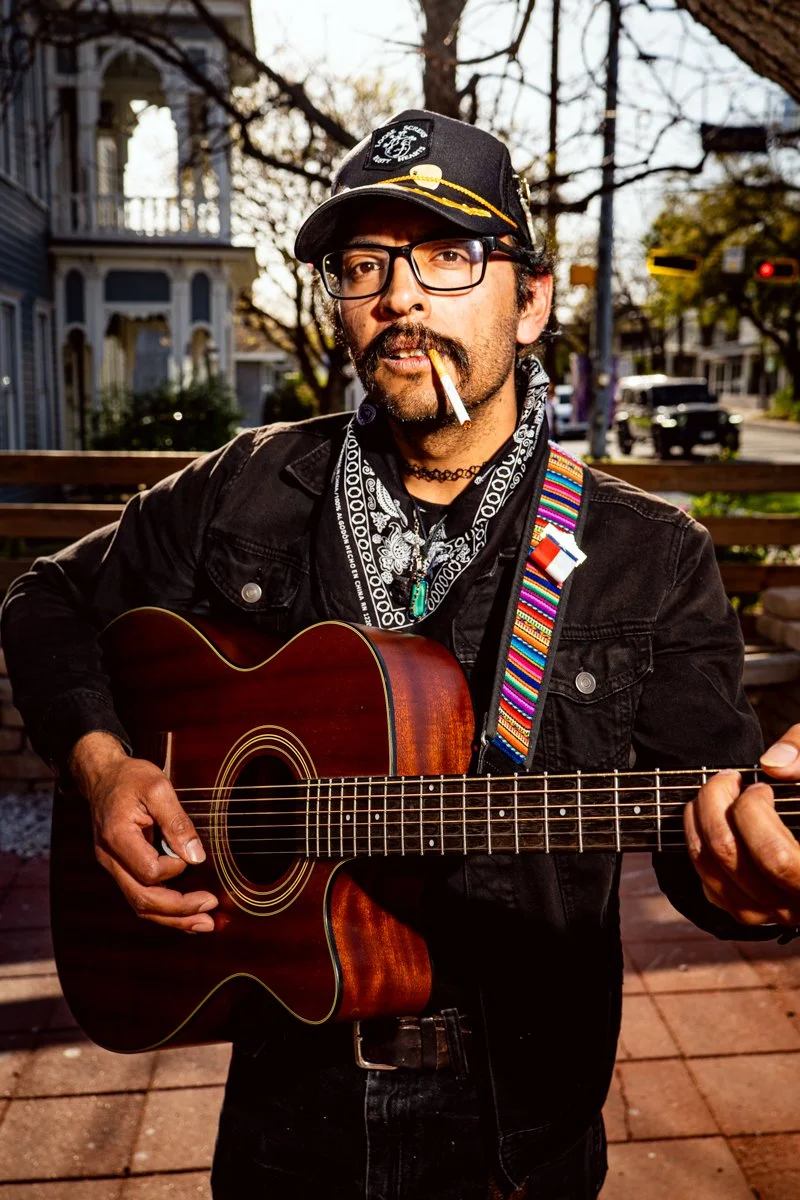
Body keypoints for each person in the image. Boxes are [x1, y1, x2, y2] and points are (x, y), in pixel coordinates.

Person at [3, 109, 800, 1199]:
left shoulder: (643, 558)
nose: (399, 295)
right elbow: (46, 600)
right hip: (288, 1104)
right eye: (363, 263)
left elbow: (709, 833)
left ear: (530, 301)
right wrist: (103, 768)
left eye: (446, 254)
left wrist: (748, 886)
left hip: (515, 1127)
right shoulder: (248, 485)